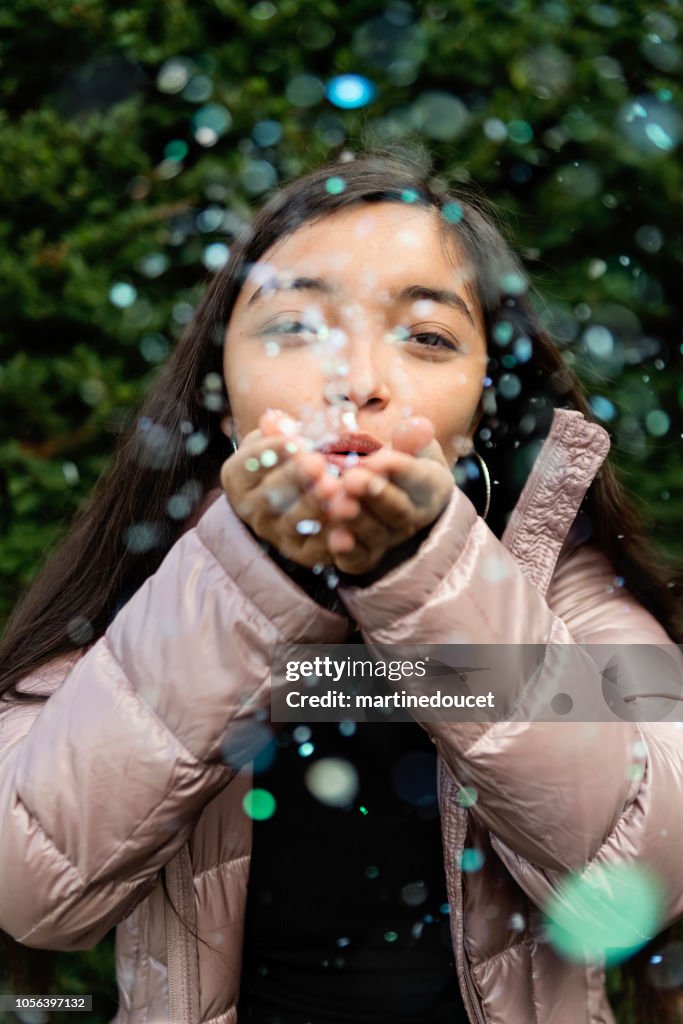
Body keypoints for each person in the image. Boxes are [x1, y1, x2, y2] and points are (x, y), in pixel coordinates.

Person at [0, 150, 681, 1024]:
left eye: (427, 337)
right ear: (220, 392)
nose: (355, 380)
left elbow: (643, 880)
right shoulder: (145, 580)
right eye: (294, 327)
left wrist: (424, 571)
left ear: (480, 401)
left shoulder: (568, 580)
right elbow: (28, 884)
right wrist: (254, 571)